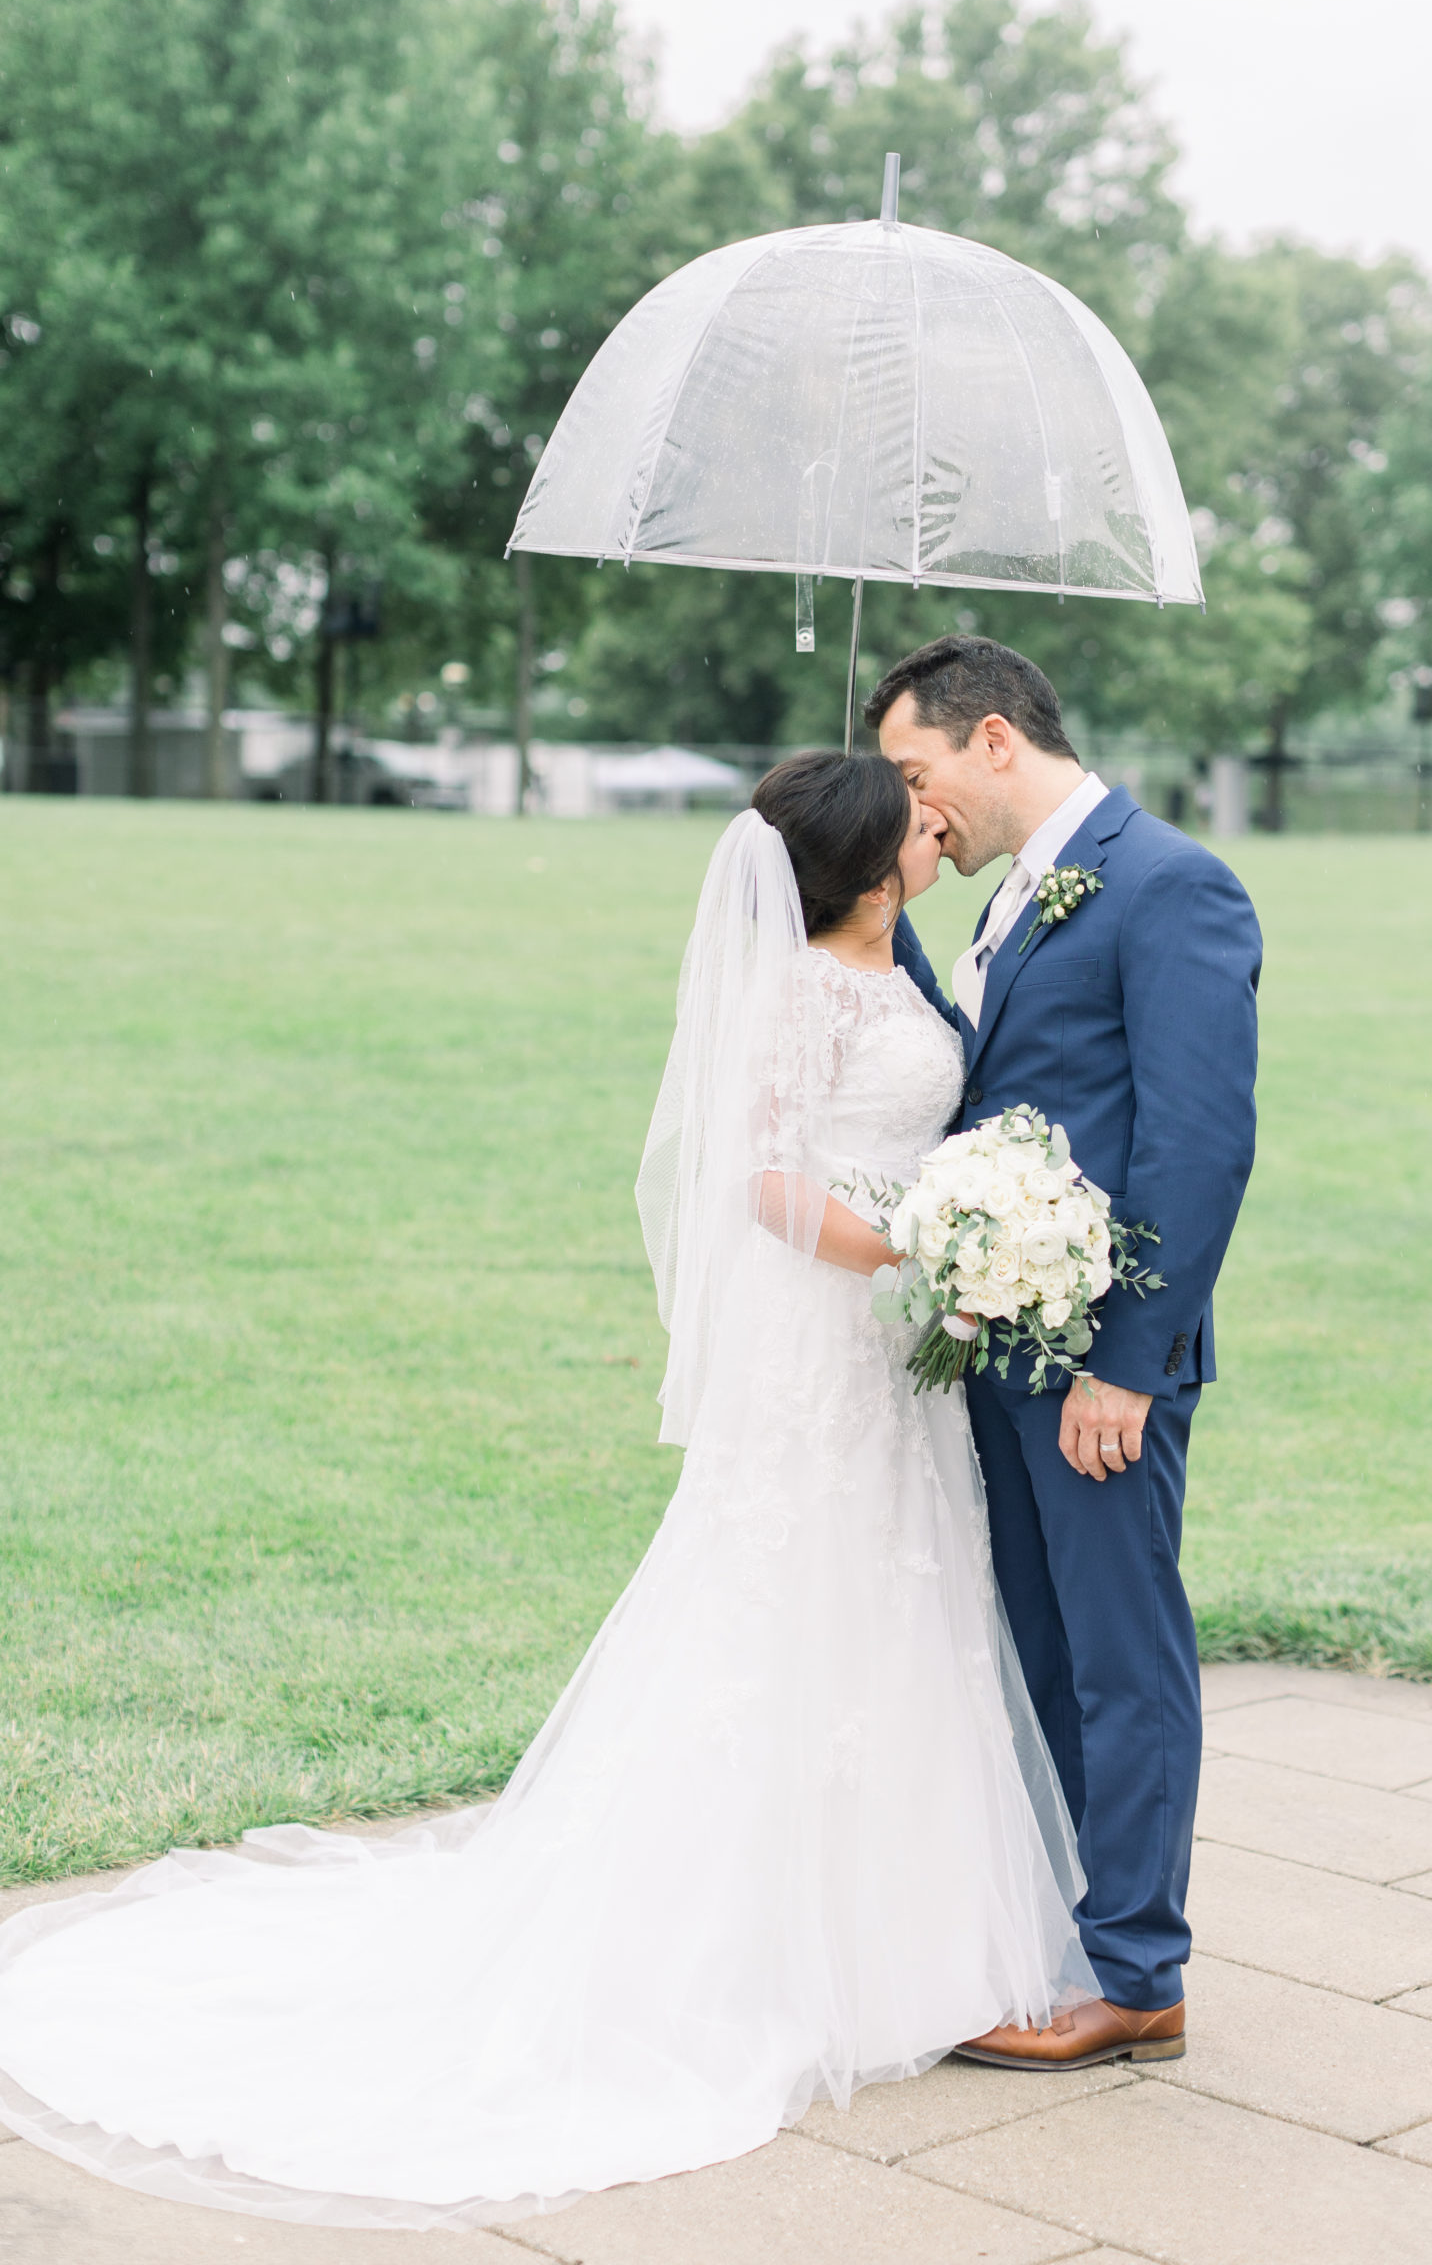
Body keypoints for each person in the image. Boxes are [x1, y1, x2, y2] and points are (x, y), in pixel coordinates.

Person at [0, 752, 1093, 2233]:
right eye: (907, 810)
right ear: (864, 858)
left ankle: (901, 1938)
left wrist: (961, 1234)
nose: (930, 817)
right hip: (829, 1340)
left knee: (904, 1604)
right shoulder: (798, 994)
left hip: (892, 1357)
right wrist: (918, 1250)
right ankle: (748, 1943)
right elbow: (767, 1185)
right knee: (786, 1598)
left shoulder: (900, 968)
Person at [872, 635, 1262, 2071]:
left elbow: (1198, 1142)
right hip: (999, 1350)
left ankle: (1141, 1974)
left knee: (1122, 1659)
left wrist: (1129, 1360)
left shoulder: (1170, 886)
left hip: (1102, 1365)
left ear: (990, 740)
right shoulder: (1005, 901)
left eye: (915, 777)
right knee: (1040, 1652)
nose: (919, 813)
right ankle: (1078, 1930)